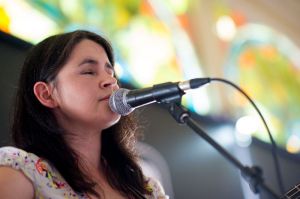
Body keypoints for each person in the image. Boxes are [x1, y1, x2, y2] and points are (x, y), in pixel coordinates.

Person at [0, 30, 168, 199]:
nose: (111, 81)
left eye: (110, 73)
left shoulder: (148, 189)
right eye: (89, 72)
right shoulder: (21, 170)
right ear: (46, 94)